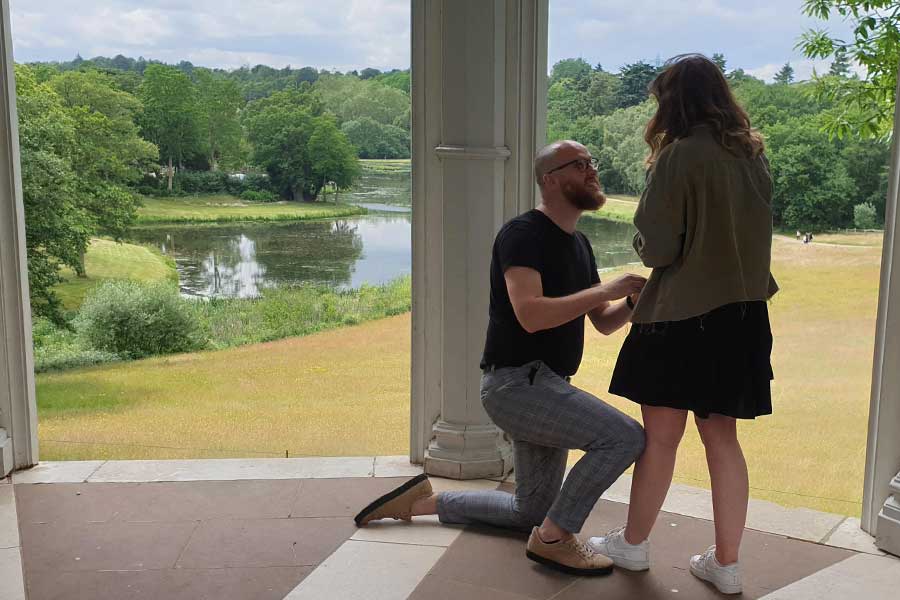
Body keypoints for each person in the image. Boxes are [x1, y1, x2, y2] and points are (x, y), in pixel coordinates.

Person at [355, 140, 647, 576]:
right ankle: (555, 538)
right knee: (624, 438)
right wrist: (607, 288)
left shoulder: (580, 244)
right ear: (550, 179)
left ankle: (420, 502)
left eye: (592, 164)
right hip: (516, 385)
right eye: (580, 164)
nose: (592, 171)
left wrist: (633, 303)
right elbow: (530, 314)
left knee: (529, 510)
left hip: (547, 387)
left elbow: (602, 321)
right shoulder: (523, 234)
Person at [588, 54, 778, 595]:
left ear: (671, 102)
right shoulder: (752, 156)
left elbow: (659, 249)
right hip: (742, 317)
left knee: (661, 439)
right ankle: (728, 563)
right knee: (723, 440)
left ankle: (634, 543)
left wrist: (644, 241)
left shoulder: (678, 157)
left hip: (679, 317)